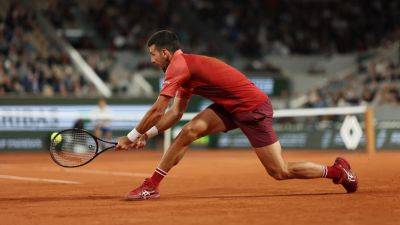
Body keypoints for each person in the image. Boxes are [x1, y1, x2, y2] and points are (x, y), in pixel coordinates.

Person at [116, 30, 358, 200]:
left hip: (252, 108)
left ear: (166, 53)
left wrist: (131, 135)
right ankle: (152, 186)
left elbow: (158, 109)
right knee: (189, 131)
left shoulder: (178, 66)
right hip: (229, 107)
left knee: (280, 171)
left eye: (153, 54)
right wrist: (148, 134)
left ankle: (338, 172)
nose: (151, 59)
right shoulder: (182, 70)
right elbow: (176, 113)